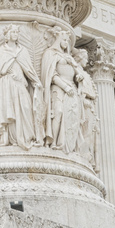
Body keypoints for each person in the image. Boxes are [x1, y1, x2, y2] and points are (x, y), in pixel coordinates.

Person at [0, 24, 41, 149]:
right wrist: (5, 70)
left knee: (25, 107)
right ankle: (11, 139)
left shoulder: (22, 51)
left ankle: (25, 137)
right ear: (7, 35)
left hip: (20, 84)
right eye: (13, 32)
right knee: (10, 110)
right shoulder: (0, 52)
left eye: (17, 32)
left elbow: (29, 69)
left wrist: (35, 81)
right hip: (6, 85)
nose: (15, 34)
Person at [41, 26, 83, 154]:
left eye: (67, 41)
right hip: (59, 88)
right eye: (64, 40)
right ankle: (53, 141)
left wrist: (79, 76)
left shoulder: (68, 57)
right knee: (58, 112)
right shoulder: (51, 53)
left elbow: (77, 72)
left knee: (72, 116)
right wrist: (64, 86)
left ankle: (66, 145)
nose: (66, 43)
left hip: (71, 88)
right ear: (58, 39)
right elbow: (51, 75)